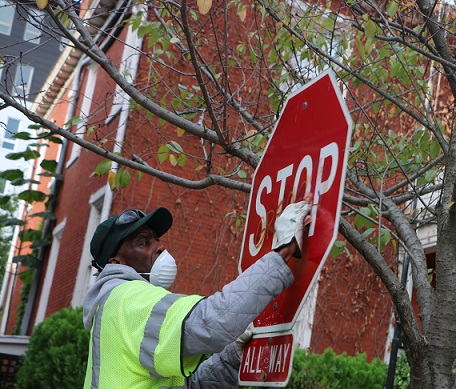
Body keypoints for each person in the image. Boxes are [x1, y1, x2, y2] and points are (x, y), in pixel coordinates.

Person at [83, 199, 312, 389]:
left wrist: (230, 359)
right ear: (116, 262)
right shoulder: (126, 298)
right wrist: (284, 250)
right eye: (144, 242)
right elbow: (211, 323)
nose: (160, 247)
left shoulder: (114, 308)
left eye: (156, 240)